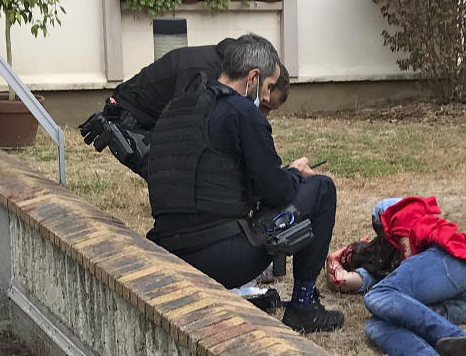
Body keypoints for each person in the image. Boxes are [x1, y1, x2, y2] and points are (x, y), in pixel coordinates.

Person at [146, 34, 343, 333]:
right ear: (253, 77)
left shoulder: (175, 109)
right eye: (266, 87)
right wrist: (293, 172)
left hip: (166, 252)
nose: (265, 98)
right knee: (321, 189)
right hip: (220, 258)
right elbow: (277, 190)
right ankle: (304, 306)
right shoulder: (242, 112)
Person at [326, 196, 466, 356]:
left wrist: (337, 260)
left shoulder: (399, 218)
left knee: (376, 296)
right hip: (452, 304)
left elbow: (398, 216)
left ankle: (461, 339)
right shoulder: (385, 271)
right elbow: (343, 281)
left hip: (449, 261)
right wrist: (332, 261)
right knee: (376, 325)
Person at [78, 36, 288, 178]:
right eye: (265, 102)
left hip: (145, 113)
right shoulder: (205, 76)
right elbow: (185, 133)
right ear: (254, 76)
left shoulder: (224, 68)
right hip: (132, 118)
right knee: (173, 177)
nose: (263, 112)